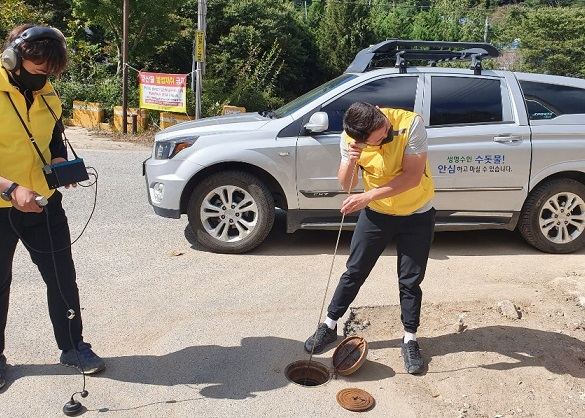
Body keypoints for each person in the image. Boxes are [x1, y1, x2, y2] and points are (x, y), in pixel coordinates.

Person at [0, 24, 104, 390]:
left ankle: (73, 347)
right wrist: (11, 187)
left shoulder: (48, 94)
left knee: (62, 278)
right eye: (37, 71)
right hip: (2, 206)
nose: (42, 80)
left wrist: (59, 160)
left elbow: (55, 137)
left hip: (44, 203)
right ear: (13, 58)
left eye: (49, 74)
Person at [304, 102, 435, 374]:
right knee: (354, 271)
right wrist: (352, 160)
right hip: (377, 215)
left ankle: (410, 338)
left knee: (410, 280)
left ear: (379, 112)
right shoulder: (350, 138)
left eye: (385, 129)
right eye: (379, 139)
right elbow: (347, 185)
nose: (385, 134)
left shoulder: (410, 125)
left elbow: (411, 177)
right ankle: (329, 324)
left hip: (417, 212)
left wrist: (367, 196)